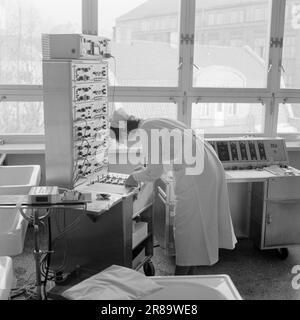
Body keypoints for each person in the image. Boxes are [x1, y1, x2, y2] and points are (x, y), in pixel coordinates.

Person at [110, 108, 237, 275]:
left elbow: (154, 173)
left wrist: (133, 177)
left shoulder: (147, 130)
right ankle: (189, 278)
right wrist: (145, 169)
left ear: (125, 130)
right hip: (206, 165)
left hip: (196, 174)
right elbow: (164, 158)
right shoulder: (151, 122)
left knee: (186, 229)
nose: (125, 141)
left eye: (121, 137)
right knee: (195, 228)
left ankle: (177, 283)